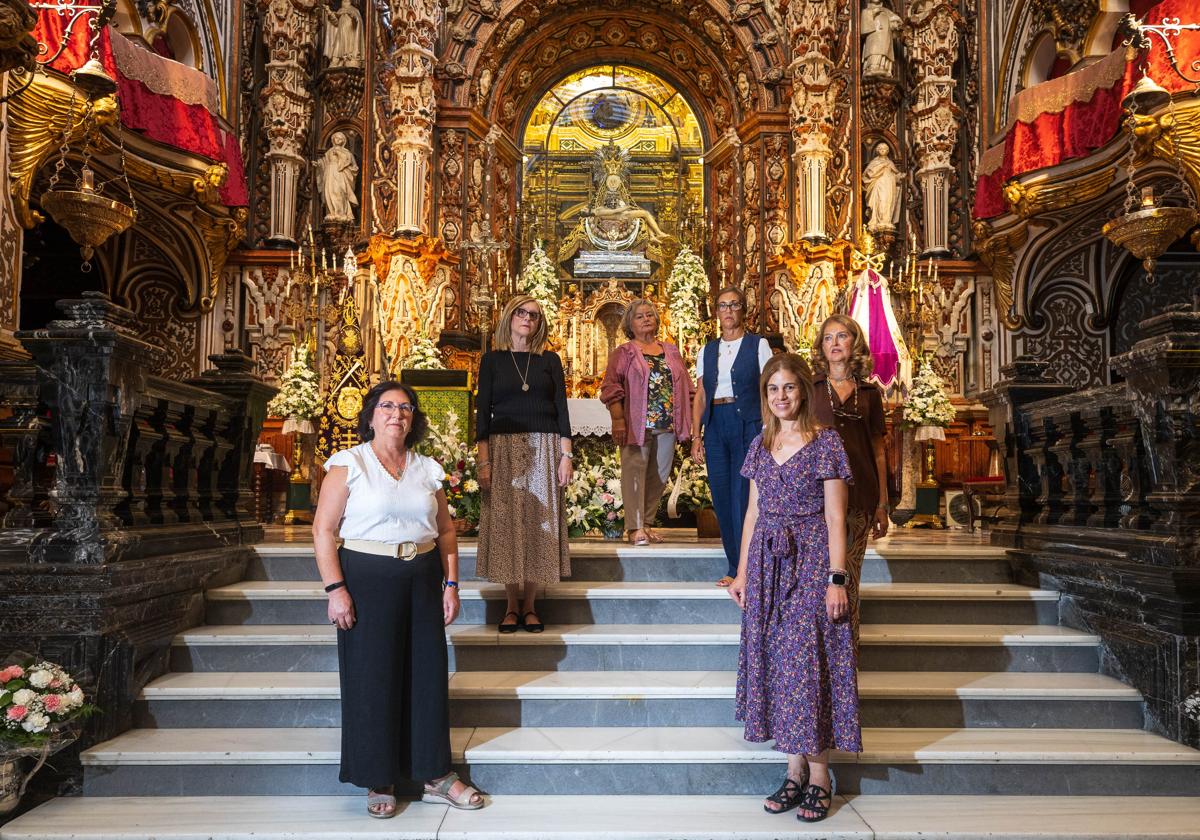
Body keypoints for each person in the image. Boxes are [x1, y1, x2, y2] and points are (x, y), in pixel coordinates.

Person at [313, 381, 483, 818]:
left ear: (414, 417)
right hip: (366, 577)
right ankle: (378, 776)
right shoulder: (348, 464)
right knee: (372, 676)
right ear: (370, 415)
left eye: (405, 407)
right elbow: (323, 531)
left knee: (427, 676)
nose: (396, 414)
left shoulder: (426, 467)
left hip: (422, 576)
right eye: (387, 406)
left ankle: (436, 774)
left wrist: (451, 584)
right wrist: (336, 590)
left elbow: (445, 531)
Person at [728, 353, 860, 823]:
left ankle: (821, 775)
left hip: (811, 559)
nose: (781, 396)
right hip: (767, 564)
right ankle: (793, 771)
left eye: (788, 387)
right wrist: (742, 572)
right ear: (765, 397)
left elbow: (836, 516)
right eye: (772, 390)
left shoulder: (826, 442)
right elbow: (752, 515)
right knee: (779, 664)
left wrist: (836, 578)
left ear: (803, 391)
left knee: (807, 661)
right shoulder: (760, 445)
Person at [476, 294, 573, 633]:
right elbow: (482, 412)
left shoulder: (550, 360)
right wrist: (484, 462)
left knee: (537, 525)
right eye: (521, 313)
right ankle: (510, 605)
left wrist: (566, 455)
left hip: (544, 447)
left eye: (533, 315)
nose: (527, 319)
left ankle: (530, 605)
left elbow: (561, 407)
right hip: (503, 449)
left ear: (539, 323)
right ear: (509, 317)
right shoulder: (492, 361)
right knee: (506, 525)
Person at [811, 314, 890, 651]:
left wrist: (883, 503)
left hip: (860, 496)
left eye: (842, 336)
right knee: (820, 578)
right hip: (816, 500)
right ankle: (821, 650)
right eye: (828, 338)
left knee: (849, 578)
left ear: (854, 343)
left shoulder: (870, 393)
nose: (835, 343)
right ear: (821, 347)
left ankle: (849, 651)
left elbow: (878, 451)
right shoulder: (809, 390)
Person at [691, 286, 773, 586]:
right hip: (715, 426)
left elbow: (769, 387)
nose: (728, 311)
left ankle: (747, 568)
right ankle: (733, 565)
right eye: (722, 305)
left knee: (744, 498)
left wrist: (769, 428)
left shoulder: (758, 345)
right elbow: (700, 394)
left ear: (743, 309)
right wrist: (695, 436)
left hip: (748, 424)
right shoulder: (707, 349)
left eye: (734, 304)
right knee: (722, 497)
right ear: (717, 312)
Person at [600, 299, 693, 545]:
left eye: (650, 314)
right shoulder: (624, 352)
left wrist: (691, 419)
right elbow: (611, 388)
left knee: (659, 475)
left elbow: (686, 387)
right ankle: (634, 527)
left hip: (668, 423)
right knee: (634, 474)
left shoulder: (671, 351)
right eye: (640, 316)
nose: (646, 319)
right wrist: (618, 420)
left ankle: (648, 523)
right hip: (636, 424)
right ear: (629, 323)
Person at [316, 132, 359, 223]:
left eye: (340, 139)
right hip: (329, 173)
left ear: (343, 141)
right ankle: (332, 212)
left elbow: (352, 164)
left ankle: (341, 213)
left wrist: (339, 154)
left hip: (340, 174)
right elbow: (324, 163)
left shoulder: (346, 152)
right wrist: (319, 164)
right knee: (329, 191)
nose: (338, 140)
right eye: (336, 138)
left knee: (339, 191)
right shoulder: (329, 152)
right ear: (333, 139)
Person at [863, 141, 902, 233]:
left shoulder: (890, 163)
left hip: (889, 185)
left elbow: (896, 175)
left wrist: (900, 177)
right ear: (877, 151)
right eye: (880, 149)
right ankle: (876, 221)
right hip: (879, 185)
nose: (882, 150)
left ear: (888, 151)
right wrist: (881, 167)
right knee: (881, 200)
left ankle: (886, 220)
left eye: (884, 149)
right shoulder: (874, 162)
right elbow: (868, 174)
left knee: (888, 201)